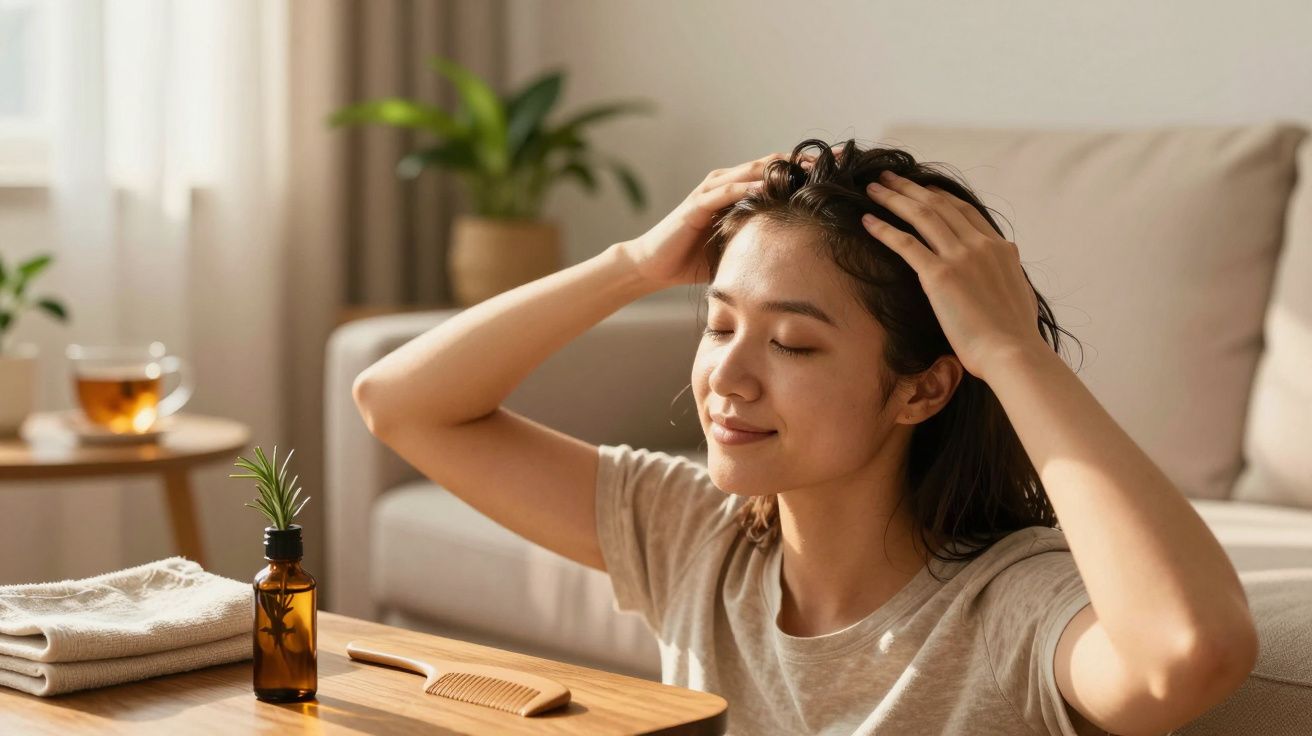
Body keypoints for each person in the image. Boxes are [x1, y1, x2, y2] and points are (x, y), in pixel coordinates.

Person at [352, 139, 1259, 735]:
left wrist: (1009, 350)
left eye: (791, 343)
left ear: (923, 387)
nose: (727, 379)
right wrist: (632, 264)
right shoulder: (697, 535)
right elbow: (399, 403)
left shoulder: (1009, 608)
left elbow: (1190, 652)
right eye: (717, 327)